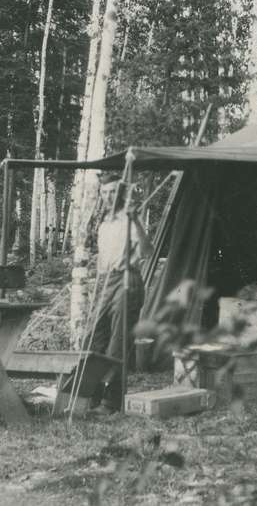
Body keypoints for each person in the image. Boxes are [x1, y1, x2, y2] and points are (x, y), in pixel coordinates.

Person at [83, 175, 153, 412]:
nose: (108, 197)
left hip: (127, 279)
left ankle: (111, 401)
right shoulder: (104, 224)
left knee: (118, 342)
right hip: (106, 281)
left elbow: (147, 251)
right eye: (104, 193)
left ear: (122, 194)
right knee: (93, 337)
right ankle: (90, 394)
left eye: (113, 192)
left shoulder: (131, 221)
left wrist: (137, 222)